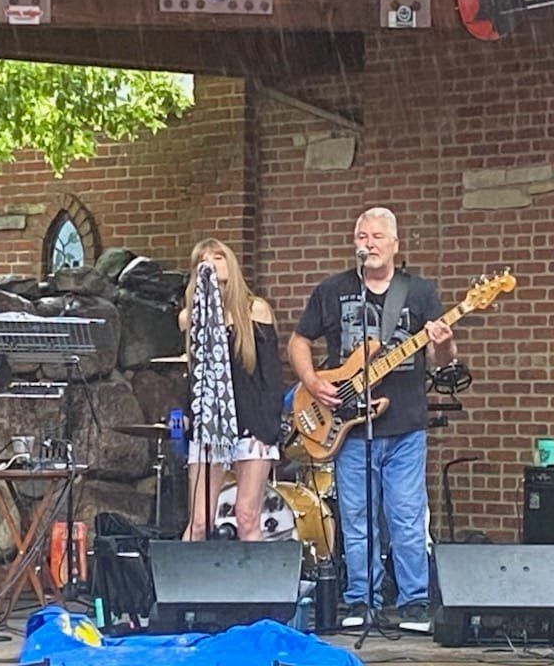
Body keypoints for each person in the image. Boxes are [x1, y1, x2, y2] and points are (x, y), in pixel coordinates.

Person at [288, 207, 454, 631]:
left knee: (407, 515)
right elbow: (299, 340)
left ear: (395, 243)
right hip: (348, 424)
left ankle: (414, 600)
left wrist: (443, 343)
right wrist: (312, 381)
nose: (369, 243)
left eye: (378, 236)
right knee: (357, 517)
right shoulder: (332, 290)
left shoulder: (419, 292)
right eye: (362, 236)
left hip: (405, 425)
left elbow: (440, 360)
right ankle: (361, 599)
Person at [178, 238, 283, 542]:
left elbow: (271, 376)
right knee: (200, 521)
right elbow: (192, 375)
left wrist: (267, 430)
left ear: (230, 264)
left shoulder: (254, 310)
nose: (210, 263)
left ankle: (256, 575)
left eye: (218, 257)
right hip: (210, 425)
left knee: (247, 517)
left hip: (252, 424)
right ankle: (186, 573)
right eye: (202, 260)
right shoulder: (190, 317)